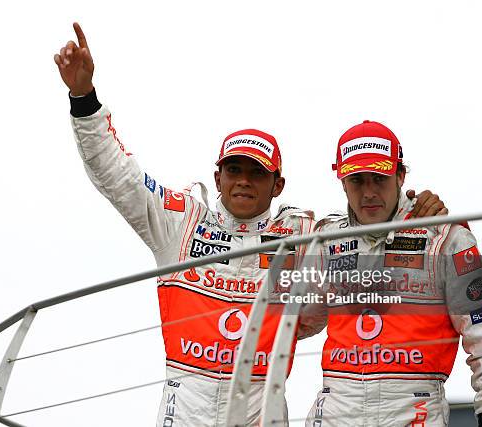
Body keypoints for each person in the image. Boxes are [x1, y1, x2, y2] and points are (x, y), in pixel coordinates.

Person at [54, 23, 446, 427]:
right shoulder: (182, 223)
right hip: (183, 412)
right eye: (234, 169)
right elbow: (119, 178)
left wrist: (419, 216)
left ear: (277, 184)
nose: (243, 180)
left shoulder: (304, 236)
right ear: (218, 176)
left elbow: (372, 242)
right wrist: (84, 98)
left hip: (262, 412)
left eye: (256, 173)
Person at [299, 120, 482, 426]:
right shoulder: (326, 241)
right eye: (358, 180)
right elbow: (296, 321)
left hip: (413, 408)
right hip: (336, 406)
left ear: (400, 176)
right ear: (343, 182)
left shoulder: (446, 237)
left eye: (379, 178)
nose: (369, 192)